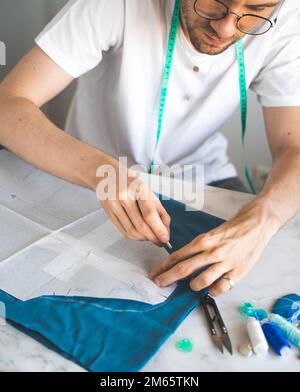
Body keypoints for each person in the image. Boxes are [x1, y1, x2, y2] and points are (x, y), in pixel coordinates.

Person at [0, 0, 299, 297]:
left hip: (205, 176)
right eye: (215, 1)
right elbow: (7, 105)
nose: (225, 26)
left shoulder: (287, 17)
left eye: (256, 10)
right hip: (92, 177)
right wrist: (102, 172)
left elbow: (294, 146)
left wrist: (263, 218)